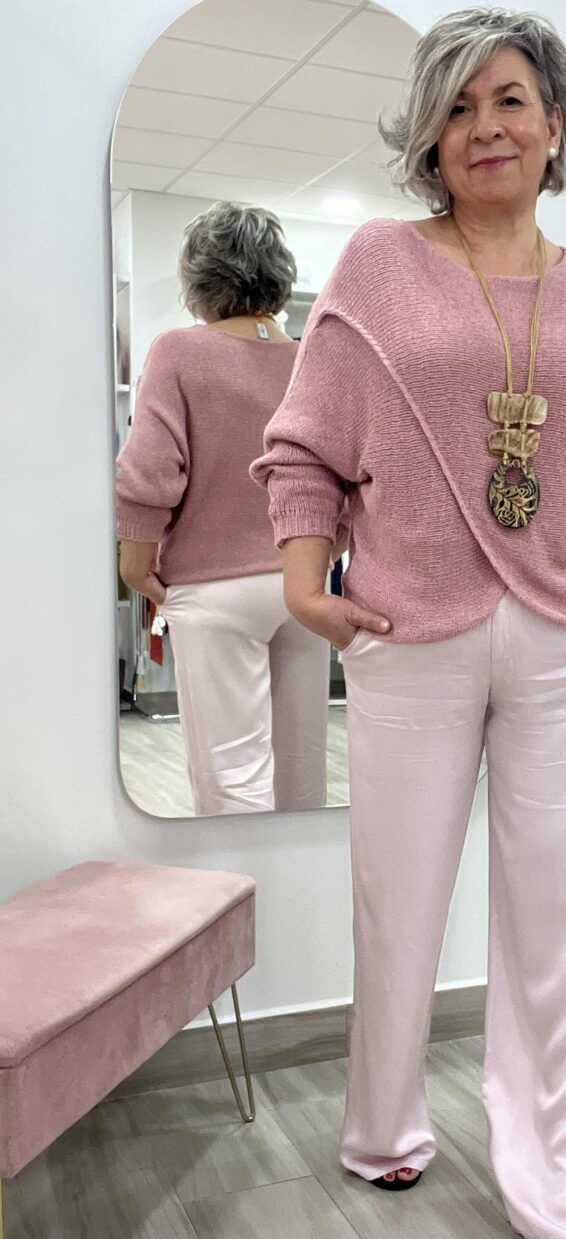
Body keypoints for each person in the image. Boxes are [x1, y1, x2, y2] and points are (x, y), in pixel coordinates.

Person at [251, 7, 566, 1239]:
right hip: (407, 629)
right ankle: (383, 1126)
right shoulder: (377, 269)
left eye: (506, 101)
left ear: (553, 124)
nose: (482, 127)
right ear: (426, 139)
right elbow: (306, 447)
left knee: (565, 921)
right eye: (454, 107)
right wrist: (304, 586)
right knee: (397, 903)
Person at [117, 201, 343, 816]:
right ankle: (302, 882)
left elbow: (150, 471)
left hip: (213, 589)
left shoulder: (178, 352)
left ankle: (239, 882)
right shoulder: (310, 359)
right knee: (302, 773)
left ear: (199, 277)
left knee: (231, 779)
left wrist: (135, 563)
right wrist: (332, 547)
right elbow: (348, 472)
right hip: (300, 582)